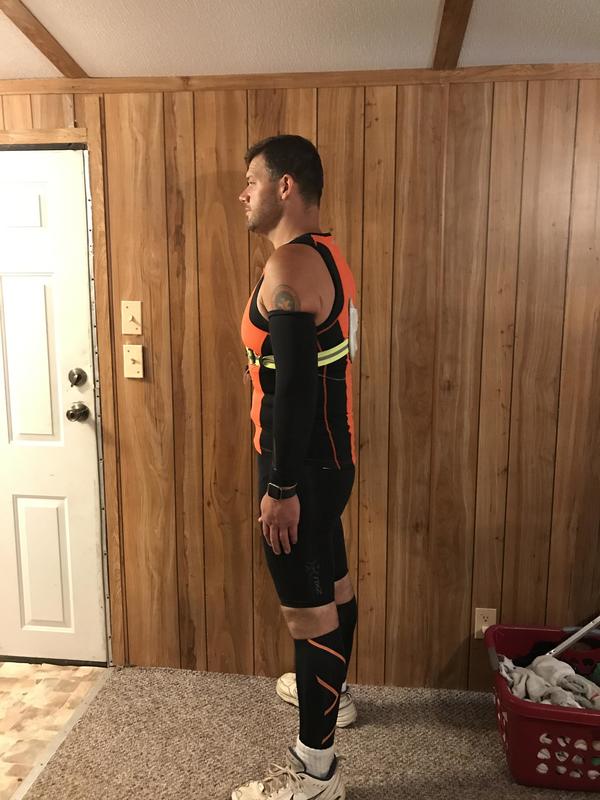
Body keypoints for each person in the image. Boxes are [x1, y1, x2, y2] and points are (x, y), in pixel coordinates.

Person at [234, 135, 358, 800]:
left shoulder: (289, 266)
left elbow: (297, 390)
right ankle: (335, 698)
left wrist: (281, 487)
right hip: (329, 465)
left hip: (299, 472)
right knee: (332, 590)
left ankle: (315, 773)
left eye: (252, 181)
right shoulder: (325, 254)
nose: (243, 194)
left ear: (285, 186)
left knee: (308, 618)